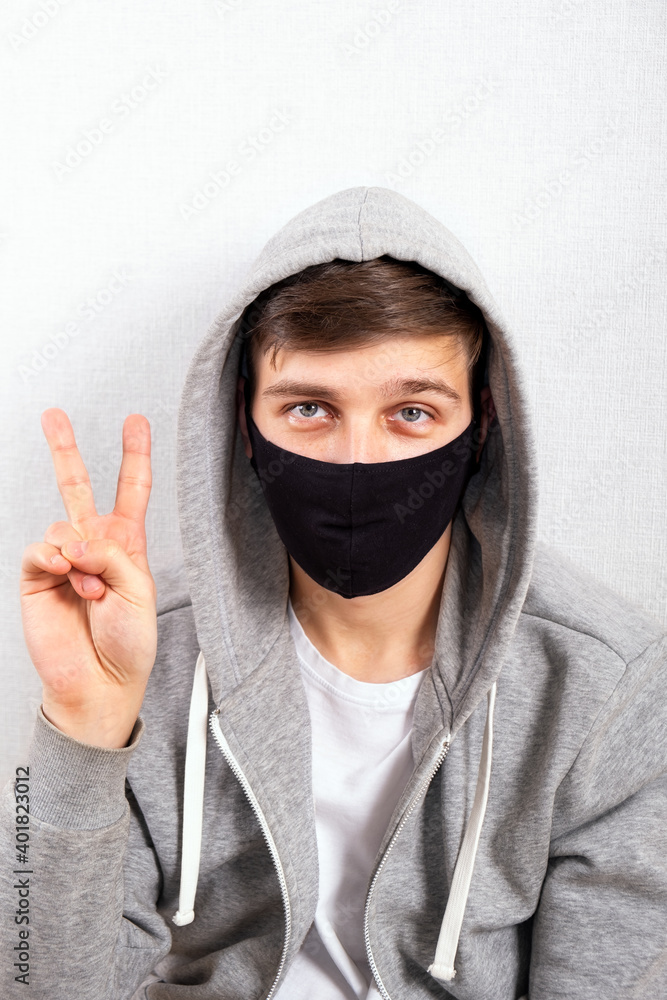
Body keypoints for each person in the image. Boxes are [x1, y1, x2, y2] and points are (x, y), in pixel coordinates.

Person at [2, 185, 666, 1000]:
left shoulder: (606, 683)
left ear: (483, 424)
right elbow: (36, 982)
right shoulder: (147, 648)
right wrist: (80, 731)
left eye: (412, 412)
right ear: (242, 426)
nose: (360, 460)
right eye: (310, 407)